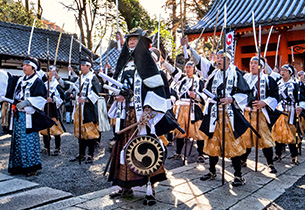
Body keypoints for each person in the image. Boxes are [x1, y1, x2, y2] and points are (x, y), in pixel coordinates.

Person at [107, 28, 174, 206]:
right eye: (129, 39)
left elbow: (157, 89)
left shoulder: (147, 63)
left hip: (142, 116)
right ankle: (125, 185)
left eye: (135, 39)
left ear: (143, 42)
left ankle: (150, 189)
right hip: (125, 114)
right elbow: (121, 86)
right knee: (124, 149)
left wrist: (148, 109)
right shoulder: (124, 64)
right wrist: (117, 96)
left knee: (145, 149)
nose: (131, 42)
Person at [182, 37, 251, 186]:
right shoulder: (213, 73)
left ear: (229, 61)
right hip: (214, 113)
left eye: (222, 58)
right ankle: (212, 171)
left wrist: (232, 99)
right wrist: (188, 47)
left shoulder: (236, 74)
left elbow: (246, 93)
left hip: (229, 114)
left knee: (233, 143)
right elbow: (200, 61)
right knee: (212, 142)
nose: (218, 60)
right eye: (218, 58)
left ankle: (238, 175)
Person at [8, 56, 54, 176]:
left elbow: (41, 98)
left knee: (28, 141)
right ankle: (18, 166)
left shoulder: (37, 81)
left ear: (33, 68)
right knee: (17, 140)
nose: (24, 67)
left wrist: (27, 102)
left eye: (27, 65)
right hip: (18, 114)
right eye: (23, 65)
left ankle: (31, 167)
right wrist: (15, 103)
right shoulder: (20, 80)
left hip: (29, 115)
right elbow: (15, 93)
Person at [162, 58, 207, 163]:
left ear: (194, 69)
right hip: (182, 108)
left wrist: (196, 96)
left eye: (190, 67)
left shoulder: (199, 81)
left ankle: (200, 154)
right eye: (186, 67)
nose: (187, 69)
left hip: (194, 108)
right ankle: (178, 153)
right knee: (179, 131)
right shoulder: (182, 79)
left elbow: (205, 95)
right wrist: (164, 63)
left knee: (198, 130)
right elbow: (173, 71)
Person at [241, 56, 280, 173]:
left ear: (261, 67)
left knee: (264, 138)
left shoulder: (268, 79)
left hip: (261, 113)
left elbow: (275, 95)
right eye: (251, 63)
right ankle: (243, 159)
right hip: (247, 112)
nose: (252, 65)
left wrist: (264, 102)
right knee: (245, 137)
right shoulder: (244, 78)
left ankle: (270, 163)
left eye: (255, 63)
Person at [60, 57, 101, 164]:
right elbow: (70, 87)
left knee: (90, 133)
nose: (81, 67)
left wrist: (86, 99)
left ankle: (90, 155)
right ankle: (81, 154)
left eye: (83, 65)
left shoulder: (93, 78)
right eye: (81, 65)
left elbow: (97, 93)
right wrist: (58, 78)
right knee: (80, 132)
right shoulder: (79, 78)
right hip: (79, 108)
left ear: (89, 66)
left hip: (88, 109)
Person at [272, 64, 305, 164]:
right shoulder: (278, 84)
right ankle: (278, 154)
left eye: (285, 70)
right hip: (279, 110)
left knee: (292, 134)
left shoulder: (295, 85)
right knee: (277, 133)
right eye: (282, 70)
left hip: (291, 111)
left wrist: (300, 107)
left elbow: (301, 98)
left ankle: (294, 156)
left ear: (290, 73)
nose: (282, 72)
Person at [40, 66, 65, 156]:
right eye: (49, 71)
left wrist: (53, 99)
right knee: (44, 129)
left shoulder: (56, 84)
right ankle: (46, 146)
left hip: (53, 108)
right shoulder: (44, 84)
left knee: (55, 129)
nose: (50, 73)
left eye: (52, 71)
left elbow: (62, 96)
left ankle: (57, 148)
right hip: (45, 108)